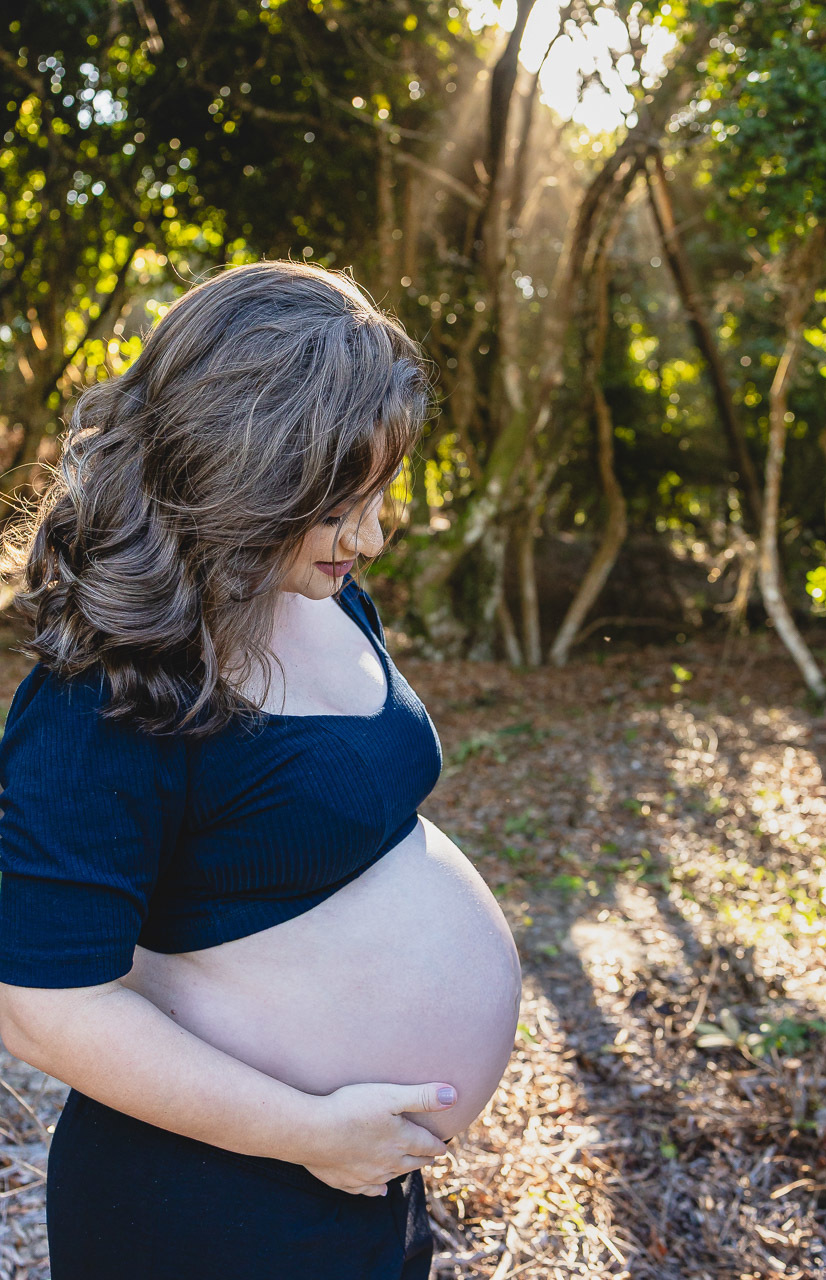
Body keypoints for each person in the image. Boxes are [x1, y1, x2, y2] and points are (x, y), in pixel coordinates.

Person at [0, 260, 522, 1279]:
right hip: (208, 1209)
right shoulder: (102, 695)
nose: (371, 537)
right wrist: (306, 1130)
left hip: (365, 1189)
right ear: (241, 474)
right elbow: (44, 1007)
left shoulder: (319, 591)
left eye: (379, 493)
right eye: (338, 507)